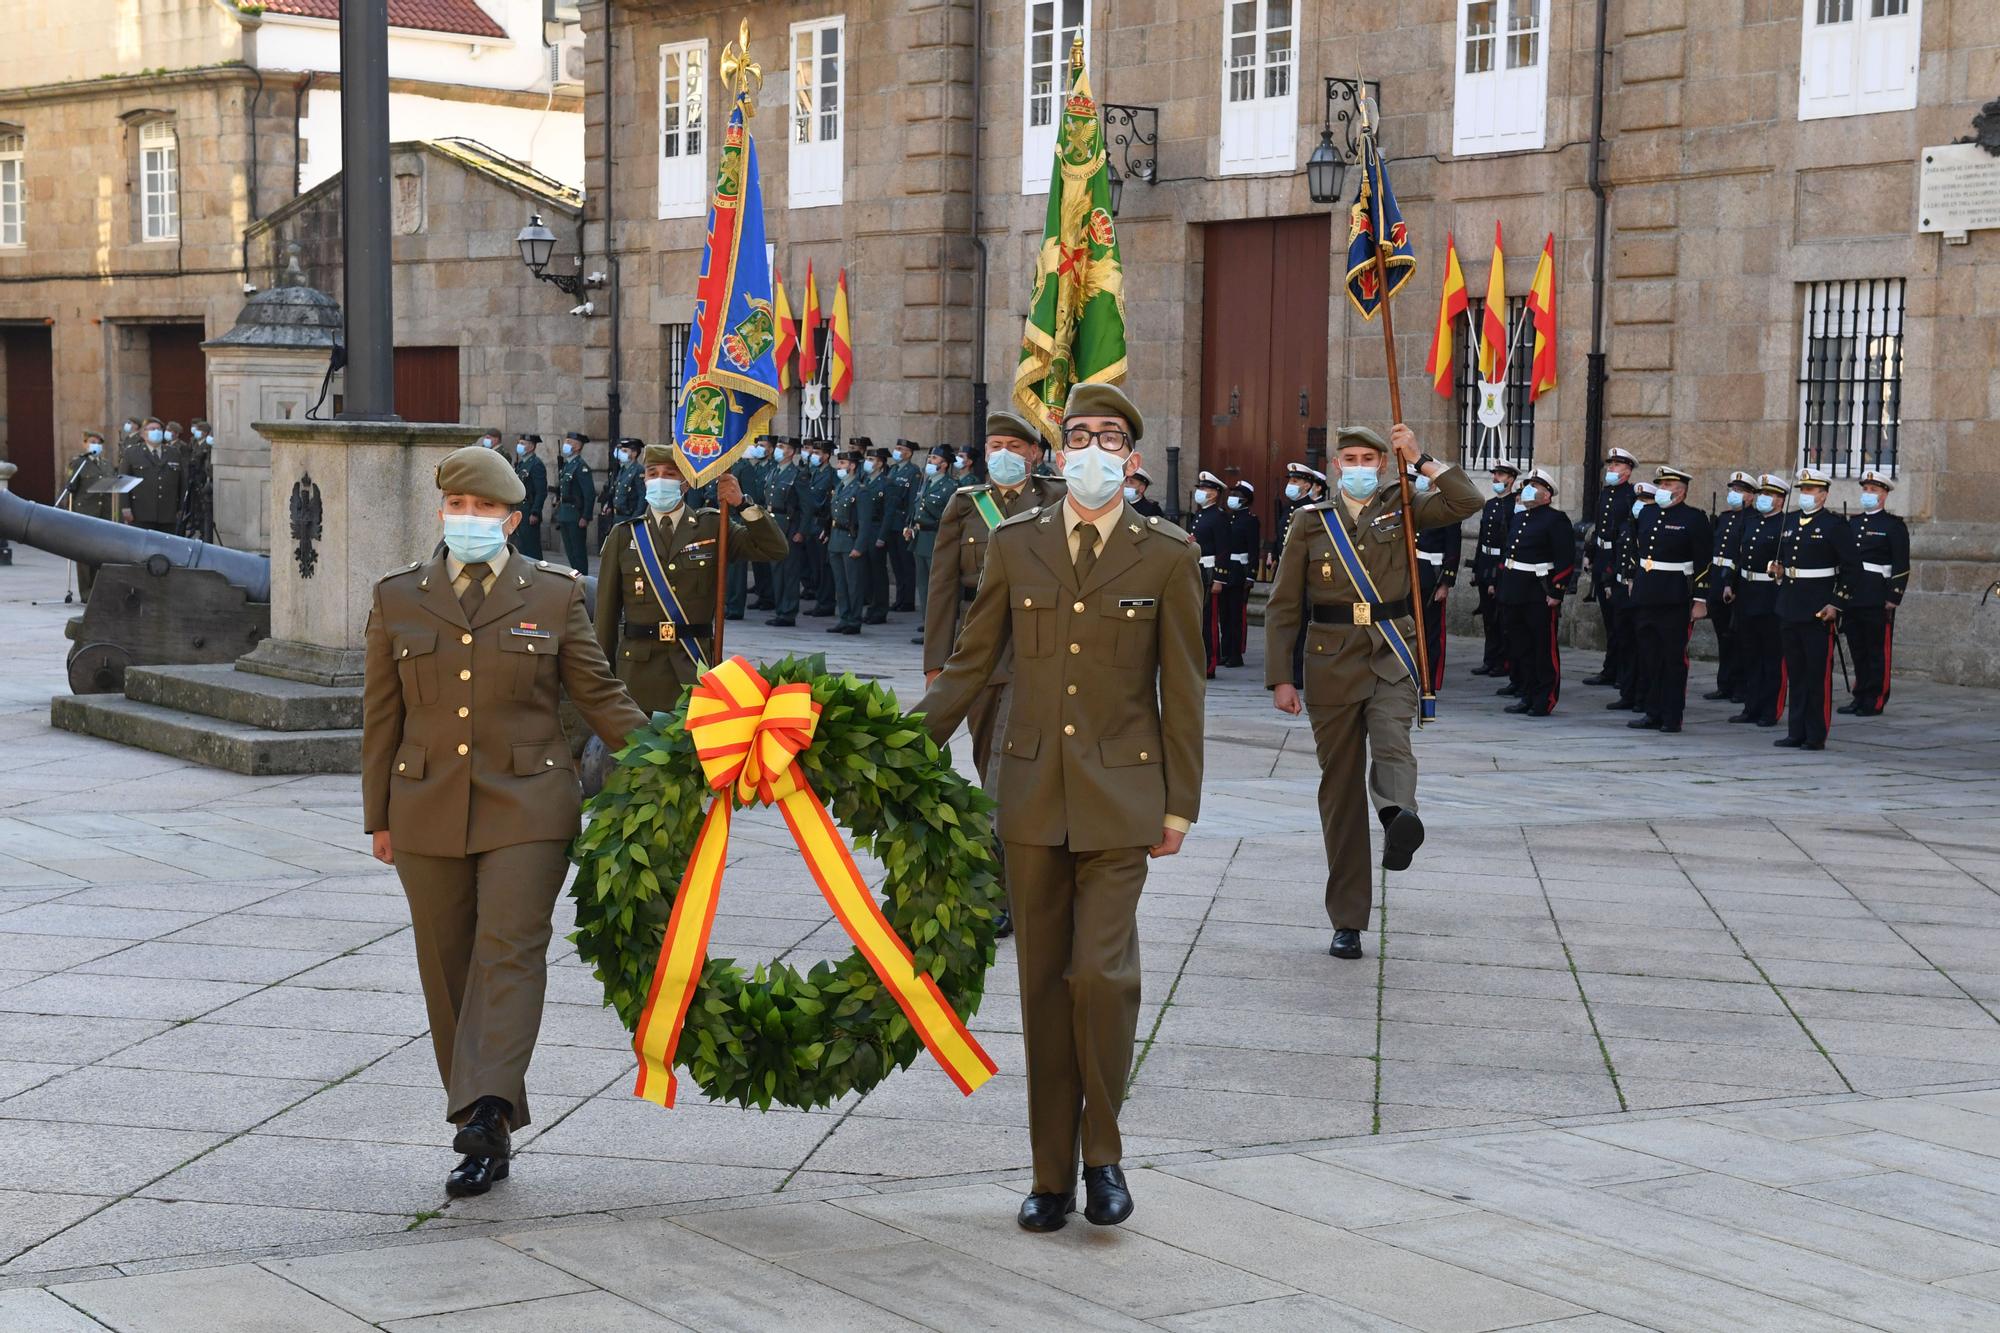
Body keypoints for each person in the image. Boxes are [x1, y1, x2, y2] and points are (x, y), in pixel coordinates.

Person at [917, 381, 1203, 1234]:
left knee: (1101, 978)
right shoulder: (1016, 543)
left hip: (1125, 796)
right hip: (1032, 795)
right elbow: (970, 666)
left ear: (1132, 457)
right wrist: (892, 747)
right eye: (1076, 435)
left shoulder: (1168, 554)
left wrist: (1180, 805)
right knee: (1044, 987)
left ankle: (1102, 1154)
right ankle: (1049, 1172)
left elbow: (1182, 688)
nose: (1090, 450)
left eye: (1108, 436)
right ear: (1056, 451)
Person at [362, 444, 647, 1198]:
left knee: (510, 949)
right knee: (449, 965)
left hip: (530, 804)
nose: (469, 520)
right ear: (441, 511)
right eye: (458, 507)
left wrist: (680, 755)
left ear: (513, 519)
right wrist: (377, 817)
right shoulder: (397, 596)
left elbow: (601, 695)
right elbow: (381, 718)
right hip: (424, 806)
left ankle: (485, 1113)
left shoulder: (553, 595)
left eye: (484, 510)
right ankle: (480, 1105)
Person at [1265, 425, 1481, 961]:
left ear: (1383, 464)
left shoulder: (1403, 505)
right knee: (1338, 794)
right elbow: (1284, 604)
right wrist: (1281, 677)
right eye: (1350, 458)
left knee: (1392, 741)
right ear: (1337, 466)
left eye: (1370, 458)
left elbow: (1466, 500)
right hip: (1330, 663)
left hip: (1391, 652)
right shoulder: (1310, 522)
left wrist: (1421, 458)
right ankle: (1347, 920)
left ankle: (1396, 816)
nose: (1360, 465)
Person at [923, 410, 1068, 939]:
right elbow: (941, 586)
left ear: (1034, 453)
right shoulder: (965, 505)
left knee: (1020, 776)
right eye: (994, 444)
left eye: (1013, 444)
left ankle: (1018, 890)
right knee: (992, 771)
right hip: (979, 655)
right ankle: (1002, 888)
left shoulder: (1055, 499)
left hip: (1037, 650)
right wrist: (937, 662)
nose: (1002, 453)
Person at [592, 444, 787, 714]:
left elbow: (774, 549)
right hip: (637, 673)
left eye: (669, 474)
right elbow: (606, 615)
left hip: (692, 665)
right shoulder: (624, 536)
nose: (660, 480)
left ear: (686, 483)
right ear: (645, 480)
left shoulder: (711, 527)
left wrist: (742, 504)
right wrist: (603, 680)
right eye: (653, 473)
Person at [1620, 465, 1712, 734]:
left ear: (1681, 491)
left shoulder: (1694, 518)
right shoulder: (1647, 513)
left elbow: (1704, 562)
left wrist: (1701, 599)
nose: (1661, 489)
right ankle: (1652, 711)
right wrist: (1632, 579)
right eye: (1659, 484)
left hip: (1675, 597)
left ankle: (1672, 716)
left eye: (1667, 485)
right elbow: (1636, 549)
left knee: (1673, 659)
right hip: (1647, 593)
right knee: (1650, 656)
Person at [1771, 466, 1857, 751]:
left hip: (1818, 608)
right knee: (1796, 673)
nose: (1805, 495)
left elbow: (1851, 569)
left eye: (1810, 490)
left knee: (1816, 675)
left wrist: (1836, 603)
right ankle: (1796, 731)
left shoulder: (1834, 526)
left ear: (1823, 494)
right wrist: (1779, 569)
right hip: (1790, 604)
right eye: (1803, 490)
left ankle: (1815, 734)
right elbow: (1786, 560)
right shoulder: (1791, 521)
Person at [1498, 467, 1575, 718]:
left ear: (1547, 495)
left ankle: (1545, 698)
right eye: (1528, 484)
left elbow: (1565, 559)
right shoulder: (1520, 517)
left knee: (1543, 648)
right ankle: (1527, 694)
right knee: (1521, 647)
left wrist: (1557, 591)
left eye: (1536, 486)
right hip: (1515, 589)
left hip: (1538, 592)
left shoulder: (1555, 519)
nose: (1529, 488)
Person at [1840, 468, 1908, 717]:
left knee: (1876, 650)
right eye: (1866, 489)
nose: (1868, 493)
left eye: (1874, 490)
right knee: (1857, 648)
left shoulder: (1893, 526)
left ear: (1884, 495)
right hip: (1854, 595)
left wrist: (1894, 596)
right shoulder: (1854, 523)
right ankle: (1860, 696)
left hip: (1877, 595)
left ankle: (1876, 698)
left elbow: (1901, 564)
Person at [1730, 475, 1789, 728]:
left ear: (1780, 500)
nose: (1764, 498)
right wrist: (1731, 585)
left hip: (1770, 595)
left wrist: (1782, 570)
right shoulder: (1750, 522)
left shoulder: (1786, 526)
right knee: (1750, 654)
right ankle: (1751, 706)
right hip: (1747, 592)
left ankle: (1769, 709)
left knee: (1771, 656)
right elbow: (1738, 556)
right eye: (1762, 493)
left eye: (1770, 494)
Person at [1583, 447, 1637, 688]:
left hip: (1619, 560)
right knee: (1608, 619)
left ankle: (1624, 670)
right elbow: (1599, 527)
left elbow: (1627, 533)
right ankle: (1610, 668)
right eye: (1610, 464)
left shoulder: (1630, 495)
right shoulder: (1606, 494)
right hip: (1603, 557)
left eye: (1616, 465)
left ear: (1627, 470)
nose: (1611, 469)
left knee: (1621, 621)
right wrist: (1590, 554)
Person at [1703, 471, 1758, 703]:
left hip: (1735, 584)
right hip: (1716, 580)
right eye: (1732, 490)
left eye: (1740, 491)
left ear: (1751, 496)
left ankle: (1741, 686)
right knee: (1723, 637)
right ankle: (1724, 684)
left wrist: (1731, 583)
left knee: (1739, 638)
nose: (1734, 494)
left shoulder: (1753, 519)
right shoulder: (1724, 518)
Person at [1411, 467, 1463, 698]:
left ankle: (1430, 679)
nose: (1420, 481)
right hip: (1410, 572)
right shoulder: (1411, 504)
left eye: (1424, 477)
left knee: (1431, 632)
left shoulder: (1446, 509)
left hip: (1432, 576)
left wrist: (1445, 583)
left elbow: (1453, 548)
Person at [1468, 462, 1519, 680]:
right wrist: (1477, 566)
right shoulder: (1490, 505)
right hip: (1486, 562)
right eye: (1495, 474)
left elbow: (1510, 541)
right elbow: (1482, 538)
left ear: (1511, 479)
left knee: (1501, 617)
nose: (1496, 478)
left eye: (1500, 474)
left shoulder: (1514, 505)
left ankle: (1503, 661)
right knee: (1488, 615)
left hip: (1501, 564)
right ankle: (1490, 659)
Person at [907, 444, 958, 640]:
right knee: (923, 586)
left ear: (944, 465)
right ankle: (928, 626)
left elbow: (948, 518)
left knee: (937, 588)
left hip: (937, 539)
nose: (930, 462)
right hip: (921, 540)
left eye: (934, 460)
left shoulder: (950, 486)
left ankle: (938, 631)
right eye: (930, 459)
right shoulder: (927, 483)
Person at [826, 446, 874, 635]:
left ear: (852, 466)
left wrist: (859, 546)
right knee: (840, 584)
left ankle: (854, 620)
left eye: (842, 463)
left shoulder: (860, 490)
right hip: (837, 540)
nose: (839, 466)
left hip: (850, 540)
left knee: (853, 584)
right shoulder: (840, 487)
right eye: (839, 462)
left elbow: (865, 522)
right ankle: (844, 617)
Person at [722, 438, 772, 621]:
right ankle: (726, 602)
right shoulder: (722, 467)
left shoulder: (744, 468)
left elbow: (750, 497)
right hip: (723, 519)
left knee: (736, 568)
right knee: (725, 568)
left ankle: (735, 606)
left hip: (736, 519)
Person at [62, 430, 115, 599]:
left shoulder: (106, 464)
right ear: (85, 443)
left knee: (101, 553)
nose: (96, 445)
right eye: (92, 441)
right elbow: (70, 489)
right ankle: (86, 592)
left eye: (99, 442)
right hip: (85, 514)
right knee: (84, 555)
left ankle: (99, 590)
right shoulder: (78, 463)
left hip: (104, 513)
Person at [1188, 470, 1229, 679]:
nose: (1201, 492)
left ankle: (1210, 663)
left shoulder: (1219, 516)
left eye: (1204, 489)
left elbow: (1223, 548)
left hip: (1210, 571)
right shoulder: (1201, 514)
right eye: (1200, 488)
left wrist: (1219, 578)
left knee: (1209, 621)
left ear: (1214, 493)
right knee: (1197, 618)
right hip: (1197, 569)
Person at [765, 438, 805, 628]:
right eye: (778, 447)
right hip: (774, 525)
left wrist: (801, 531)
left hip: (790, 527)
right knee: (777, 570)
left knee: (789, 572)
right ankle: (780, 609)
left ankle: (788, 612)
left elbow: (807, 507)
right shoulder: (774, 472)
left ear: (791, 452)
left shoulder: (797, 475)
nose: (778, 450)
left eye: (782, 447)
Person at [1219, 480, 1259, 668]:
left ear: (1245, 500)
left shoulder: (1250, 520)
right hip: (1226, 571)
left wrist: (1251, 575)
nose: (1232, 499)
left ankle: (1235, 654)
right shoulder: (1227, 518)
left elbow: (1253, 549)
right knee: (1224, 615)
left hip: (1239, 572)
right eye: (1231, 495)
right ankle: (1225, 652)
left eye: (1237, 496)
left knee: (1235, 616)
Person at [120, 417, 180, 533]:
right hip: (141, 512)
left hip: (167, 513)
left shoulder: (174, 453)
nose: (156, 432)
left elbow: (182, 482)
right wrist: (125, 508)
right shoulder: (132, 453)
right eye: (152, 429)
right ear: (143, 434)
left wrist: (181, 508)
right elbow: (124, 481)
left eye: (159, 429)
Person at [885, 439, 922, 613]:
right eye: (896, 448)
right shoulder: (893, 470)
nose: (897, 451)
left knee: (906, 562)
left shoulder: (913, 472)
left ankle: (907, 600)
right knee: (896, 563)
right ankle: (899, 598)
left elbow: (912, 500)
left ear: (908, 453)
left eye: (900, 449)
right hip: (891, 521)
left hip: (902, 521)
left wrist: (910, 523)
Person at [552, 432, 597, 574]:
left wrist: (586, 516)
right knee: (570, 552)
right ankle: (575, 577)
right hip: (564, 513)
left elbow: (589, 494)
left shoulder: (581, 467)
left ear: (577, 447)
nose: (566, 445)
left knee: (578, 552)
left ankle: (583, 579)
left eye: (570, 442)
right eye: (566, 441)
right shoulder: (567, 466)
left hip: (576, 515)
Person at [860, 443, 894, 624]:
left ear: (880, 464)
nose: (867, 462)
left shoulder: (886, 483)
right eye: (867, 459)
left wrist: (882, 536)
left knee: (878, 572)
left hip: (876, 529)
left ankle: (880, 609)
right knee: (867, 572)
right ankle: (871, 606)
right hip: (865, 530)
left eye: (871, 459)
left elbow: (888, 513)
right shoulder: (866, 481)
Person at [808, 439, 841, 617]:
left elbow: (831, 504)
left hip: (822, 522)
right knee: (815, 565)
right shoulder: (814, 472)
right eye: (814, 452)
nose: (814, 456)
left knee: (824, 567)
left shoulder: (831, 475)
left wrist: (827, 527)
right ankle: (820, 600)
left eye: (818, 453)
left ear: (827, 456)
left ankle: (826, 602)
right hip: (812, 523)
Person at [511, 435, 548, 559]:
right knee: (521, 545)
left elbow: (541, 491)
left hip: (528, 509)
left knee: (531, 547)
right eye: (519, 442)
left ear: (531, 446)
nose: (519, 446)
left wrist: (535, 512)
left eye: (523, 443)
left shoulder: (536, 465)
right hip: (519, 508)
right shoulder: (522, 463)